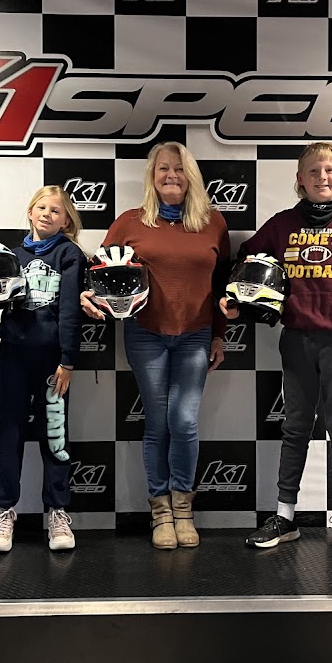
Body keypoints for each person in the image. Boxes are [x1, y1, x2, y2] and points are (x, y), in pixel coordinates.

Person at [222, 142, 332, 558]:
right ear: (300, 180)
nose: (321, 177)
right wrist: (238, 299)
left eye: (329, 170)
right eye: (313, 171)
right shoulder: (282, 224)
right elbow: (246, 260)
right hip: (296, 339)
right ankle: (285, 517)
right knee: (296, 428)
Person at [82, 142, 230, 550]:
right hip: (145, 333)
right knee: (158, 423)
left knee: (184, 422)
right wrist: (89, 297)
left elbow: (222, 285)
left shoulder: (213, 223)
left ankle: (184, 509)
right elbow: (99, 273)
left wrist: (219, 333)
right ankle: (160, 511)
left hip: (195, 334)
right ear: (152, 176)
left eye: (179, 169)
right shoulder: (130, 222)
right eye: (163, 168)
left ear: (191, 176)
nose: (171, 175)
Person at [0, 185, 85, 553]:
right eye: (41, 208)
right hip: (14, 356)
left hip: (52, 361)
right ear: (30, 212)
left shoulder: (70, 254)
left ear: (66, 220)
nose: (47, 215)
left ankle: (57, 512)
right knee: (9, 433)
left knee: (54, 436)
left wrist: (68, 360)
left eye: (56, 211)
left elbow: (71, 311)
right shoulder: (11, 254)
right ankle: (5, 512)